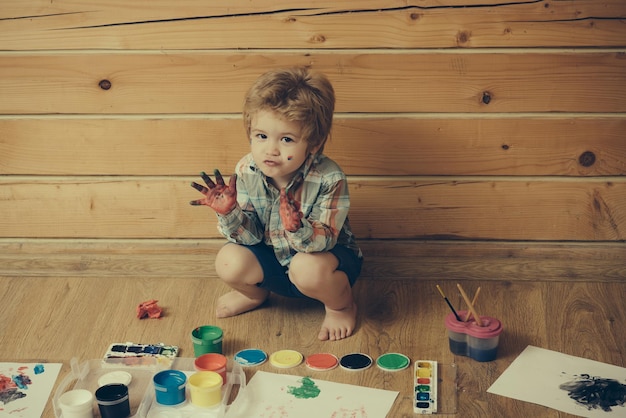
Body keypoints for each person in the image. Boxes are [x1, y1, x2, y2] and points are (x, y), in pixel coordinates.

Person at [190, 67, 363, 341]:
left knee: (306, 269)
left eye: (286, 139)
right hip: (276, 259)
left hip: (324, 264)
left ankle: (341, 306)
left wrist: (297, 228)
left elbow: (326, 241)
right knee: (228, 261)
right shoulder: (246, 169)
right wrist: (230, 214)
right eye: (261, 136)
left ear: (314, 143)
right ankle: (255, 294)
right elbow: (251, 237)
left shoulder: (329, 177)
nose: (271, 150)